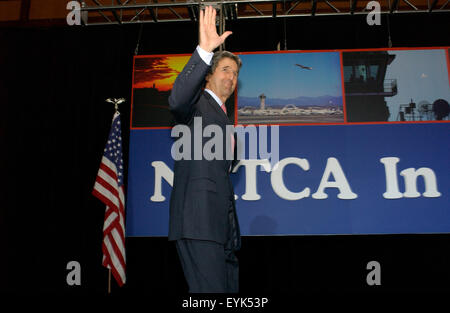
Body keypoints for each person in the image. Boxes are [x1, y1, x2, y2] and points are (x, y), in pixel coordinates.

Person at [168, 5, 242, 293]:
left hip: (222, 230)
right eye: (225, 70)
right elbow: (177, 99)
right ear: (208, 75)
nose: (231, 77)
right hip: (198, 222)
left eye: (235, 74)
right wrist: (204, 51)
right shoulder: (196, 105)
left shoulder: (224, 117)